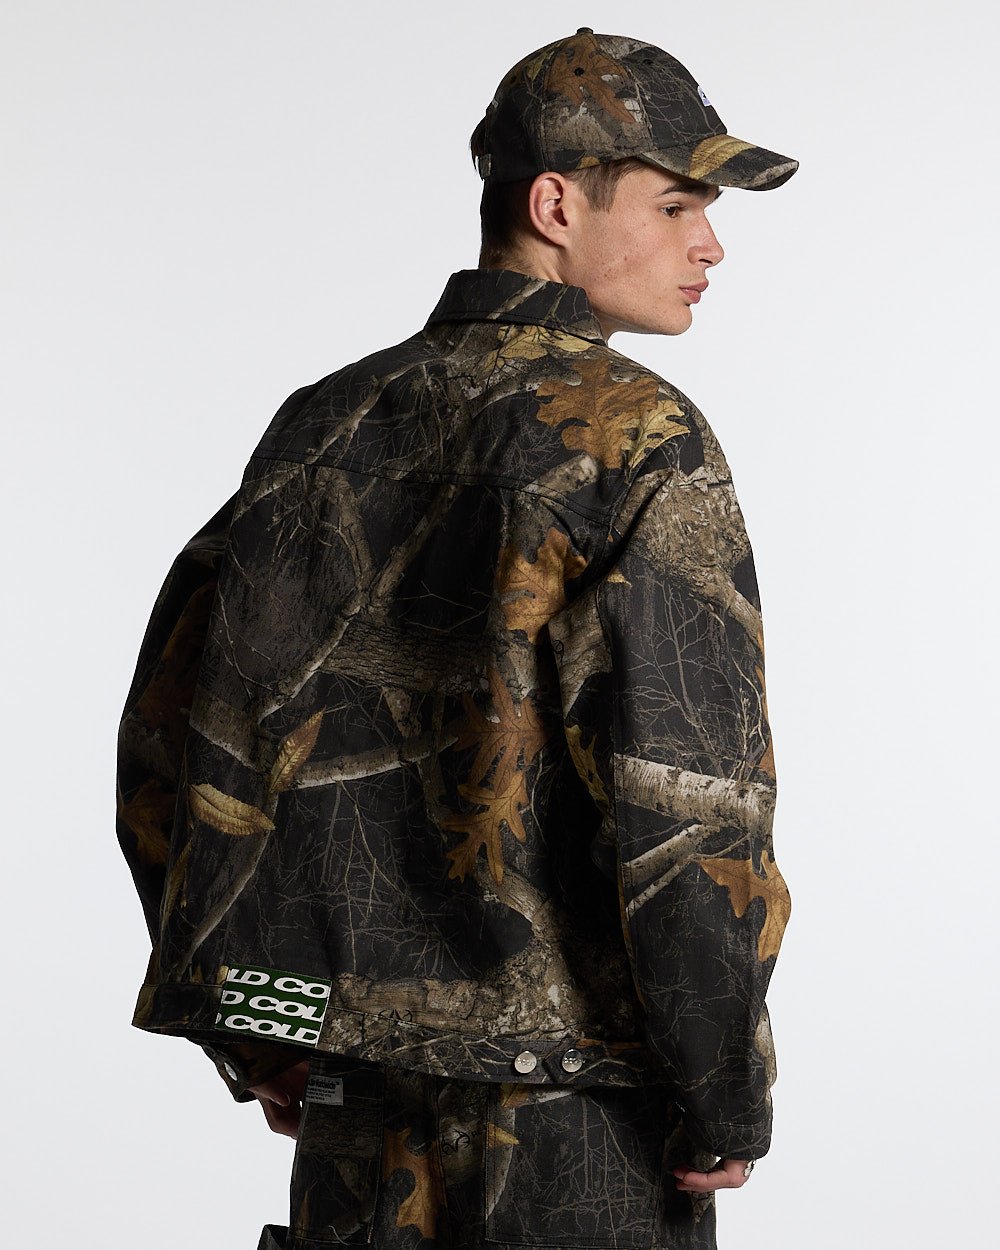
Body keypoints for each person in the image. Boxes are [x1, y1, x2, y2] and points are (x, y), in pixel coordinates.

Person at [116, 27, 796, 1250]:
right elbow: (684, 797)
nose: (710, 244)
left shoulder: (326, 422)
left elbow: (179, 742)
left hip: (353, 1103)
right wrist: (721, 1089)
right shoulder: (636, 435)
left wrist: (265, 1021)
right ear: (555, 204)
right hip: (577, 1122)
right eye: (676, 204)